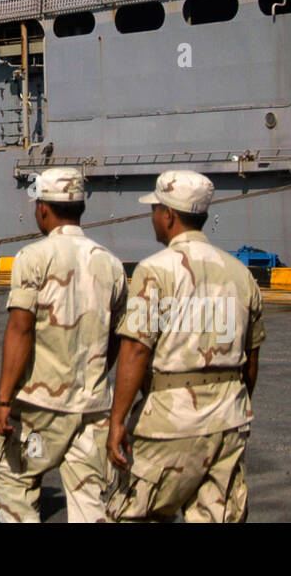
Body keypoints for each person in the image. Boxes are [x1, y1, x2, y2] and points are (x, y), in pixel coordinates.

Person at [106, 170, 265, 523]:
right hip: (228, 419)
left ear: (168, 215)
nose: (153, 217)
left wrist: (117, 420)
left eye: (155, 210)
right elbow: (250, 360)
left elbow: (135, 350)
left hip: (169, 423)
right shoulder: (241, 273)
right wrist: (233, 406)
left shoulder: (154, 271)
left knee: (134, 514)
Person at [0, 167, 127, 523]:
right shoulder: (111, 264)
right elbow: (117, 338)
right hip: (92, 408)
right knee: (89, 500)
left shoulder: (32, 258)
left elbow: (20, 330)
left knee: (17, 485)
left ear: (43, 209)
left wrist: (4, 399)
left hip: (39, 409)